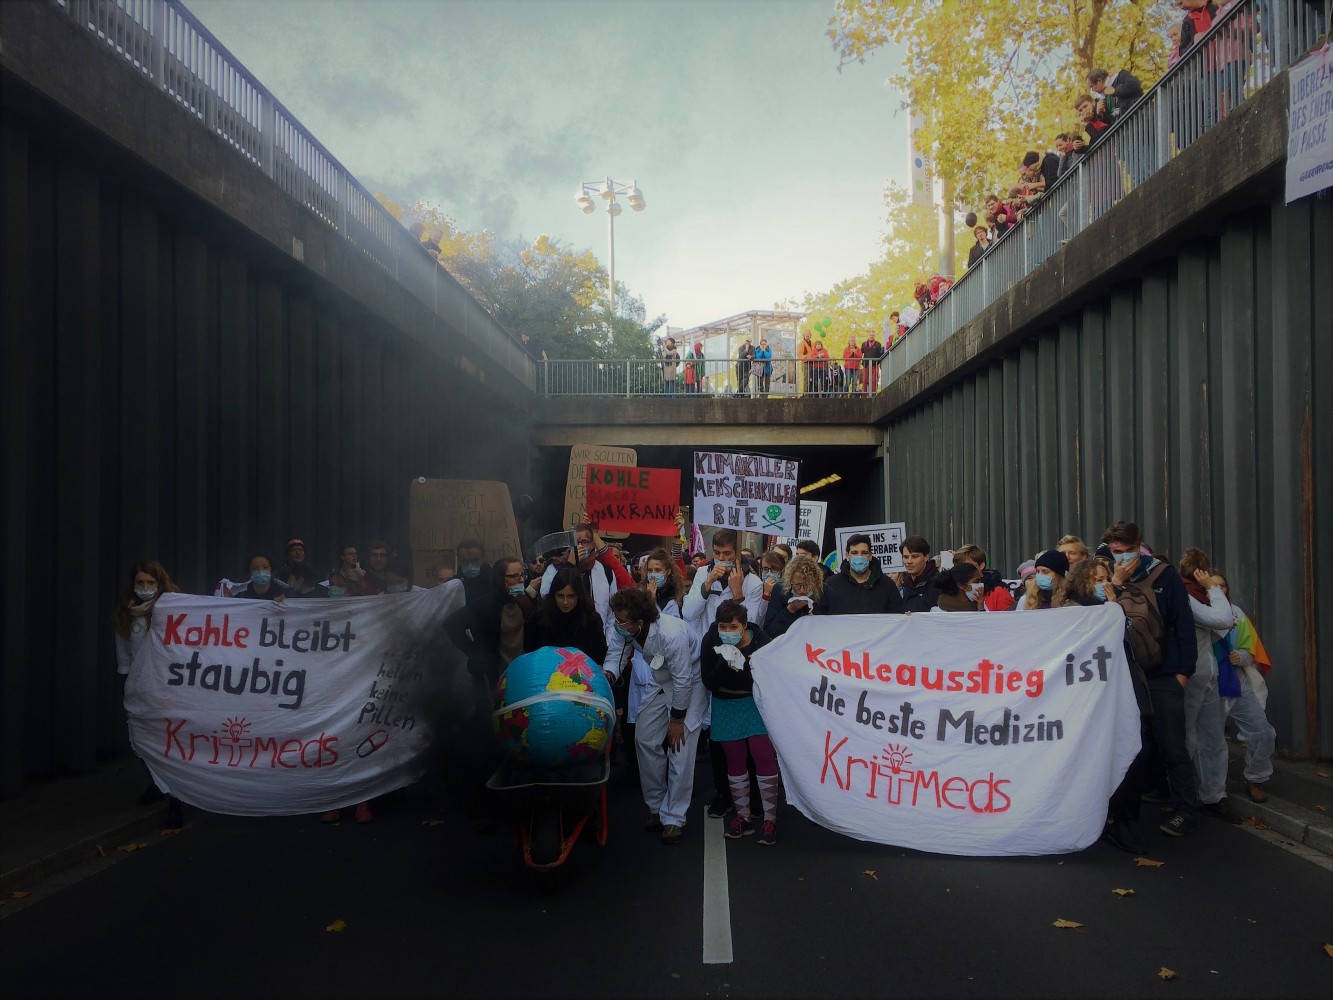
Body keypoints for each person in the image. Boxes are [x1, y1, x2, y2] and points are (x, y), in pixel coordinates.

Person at [1102, 520, 1200, 838]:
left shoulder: (1164, 575)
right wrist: (1114, 584)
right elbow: (1100, 621)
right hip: (1128, 674)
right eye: (1114, 552)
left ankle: (1187, 809)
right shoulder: (1106, 575)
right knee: (1134, 743)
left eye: (1125, 551)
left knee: (1173, 744)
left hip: (1164, 674)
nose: (1119, 557)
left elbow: (1183, 625)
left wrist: (1183, 672)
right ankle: (1128, 813)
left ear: (1138, 547)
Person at [603, 588, 707, 845]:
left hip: (690, 683)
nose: (619, 624)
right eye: (617, 619)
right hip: (660, 680)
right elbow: (616, 655)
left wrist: (676, 721)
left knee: (680, 749)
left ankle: (673, 817)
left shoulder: (671, 634)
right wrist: (608, 676)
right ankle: (656, 805)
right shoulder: (625, 628)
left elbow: (683, 681)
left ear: (640, 621)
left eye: (623, 620)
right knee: (644, 739)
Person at [699, 600, 780, 846]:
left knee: (763, 757)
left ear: (744, 626)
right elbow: (708, 681)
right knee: (734, 763)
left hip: (754, 704)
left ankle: (770, 819)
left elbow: (769, 677)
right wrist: (725, 662)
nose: (728, 632)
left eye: (733, 627)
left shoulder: (761, 641)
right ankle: (742, 817)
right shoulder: (711, 641)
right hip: (725, 706)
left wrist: (744, 665)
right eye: (723, 627)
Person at [112, 560, 182, 817]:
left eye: (151, 583)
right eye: (140, 582)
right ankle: (155, 784)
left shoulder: (174, 610)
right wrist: (126, 689)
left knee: (170, 742)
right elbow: (124, 659)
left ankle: (175, 798)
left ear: (160, 584)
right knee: (143, 741)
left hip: (169, 687)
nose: (145, 587)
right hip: (140, 688)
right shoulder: (126, 615)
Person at [1177, 547, 1240, 824]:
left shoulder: (1198, 596)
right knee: (1189, 738)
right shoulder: (1189, 597)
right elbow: (1224, 620)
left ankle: (1213, 795)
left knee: (1211, 738)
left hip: (1206, 676)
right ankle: (1187, 795)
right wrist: (1213, 588)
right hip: (1192, 676)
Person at [1212, 570, 1276, 803]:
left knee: (1263, 732)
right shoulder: (1196, 613)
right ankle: (1211, 792)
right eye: (1213, 585)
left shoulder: (1237, 613)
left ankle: (1256, 779)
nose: (1219, 590)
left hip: (1237, 684)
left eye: (1223, 586)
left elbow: (1253, 652)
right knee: (1210, 741)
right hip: (1209, 687)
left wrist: (1242, 656)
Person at [524, 566, 607, 665]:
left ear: (579, 595)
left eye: (571, 596)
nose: (565, 602)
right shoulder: (539, 619)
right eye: (560, 596)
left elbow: (599, 656)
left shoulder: (592, 620)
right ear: (553, 595)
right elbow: (530, 654)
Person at [824, 534, 902, 615]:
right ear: (847, 555)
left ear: (870, 556)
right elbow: (822, 616)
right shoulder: (832, 584)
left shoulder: (887, 585)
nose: (859, 557)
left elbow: (898, 616)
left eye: (864, 553)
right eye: (854, 553)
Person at [762, 553, 827, 636]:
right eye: (797, 585)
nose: (802, 590)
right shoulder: (779, 591)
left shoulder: (824, 591)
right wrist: (789, 610)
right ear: (790, 581)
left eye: (807, 585)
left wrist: (817, 621)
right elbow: (769, 631)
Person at [951, 544, 1014, 611]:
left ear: (981, 566)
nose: (962, 569)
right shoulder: (955, 591)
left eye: (967, 565)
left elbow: (1007, 620)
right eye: (958, 566)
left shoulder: (998, 593)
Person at [895, 536, 939, 613]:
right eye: (905, 557)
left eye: (915, 557)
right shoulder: (904, 585)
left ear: (926, 557)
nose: (909, 561)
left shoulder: (939, 582)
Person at [861, 329, 884, 393]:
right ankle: (864, 394)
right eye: (870, 335)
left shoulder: (878, 344)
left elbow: (880, 354)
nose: (871, 336)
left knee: (874, 380)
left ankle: (873, 394)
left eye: (873, 335)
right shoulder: (864, 344)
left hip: (874, 365)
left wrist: (878, 363)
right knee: (865, 380)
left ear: (875, 336)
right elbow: (861, 353)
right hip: (866, 364)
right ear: (868, 335)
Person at [797, 328, 816, 396]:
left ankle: (810, 394)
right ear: (804, 335)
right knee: (806, 379)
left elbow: (815, 352)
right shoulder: (801, 344)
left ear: (810, 335)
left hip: (813, 363)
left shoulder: (813, 343)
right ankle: (805, 394)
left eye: (808, 334)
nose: (807, 335)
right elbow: (800, 354)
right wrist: (805, 357)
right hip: (805, 363)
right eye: (806, 334)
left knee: (812, 379)